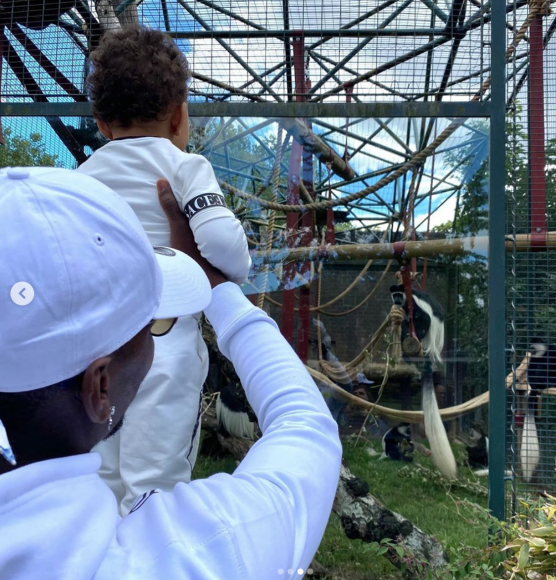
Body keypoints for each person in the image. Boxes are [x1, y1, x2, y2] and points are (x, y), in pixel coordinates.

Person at [0, 167, 342, 580]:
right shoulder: (188, 558)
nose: (156, 332)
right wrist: (220, 292)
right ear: (100, 387)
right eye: (154, 324)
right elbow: (307, 430)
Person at [76, 26, 252, 514]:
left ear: (102, 124)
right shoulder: (185, 166)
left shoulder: (81, 181)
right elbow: (225, 248)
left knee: (101, 476)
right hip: (167, 349)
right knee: (156, 485)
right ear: (179, 115)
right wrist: (231, 264)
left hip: (99, 355)